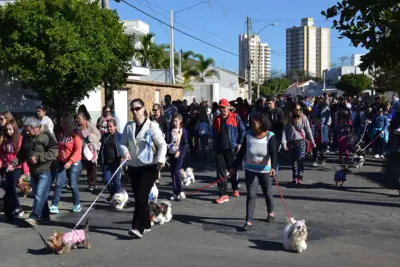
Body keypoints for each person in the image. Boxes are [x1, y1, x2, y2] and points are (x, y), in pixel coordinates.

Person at [120, 98, 167, 238]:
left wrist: (160, 160)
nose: (135, 112)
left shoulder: (152, 125)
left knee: (141, 197)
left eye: (137, 108)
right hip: (133, 167)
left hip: (149, 166)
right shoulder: (128, 126)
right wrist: (125, 152)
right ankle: (146, 223)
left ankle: (137, 228)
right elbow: (122, 143)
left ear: (143, 109)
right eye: (132, 109)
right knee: (140, 198)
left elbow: (162, 145)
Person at [230, 112, 277, 230]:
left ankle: (270, 212)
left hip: (265, 170)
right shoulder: (248, 135)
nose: (251, 124)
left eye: (253, 122)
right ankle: (249, 220)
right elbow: (241, 153)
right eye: (251, 122)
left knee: (267, 192)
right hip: (250, 169)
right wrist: (233, 167)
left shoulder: (270, 136)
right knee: (251, 194)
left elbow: (274, 153)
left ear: (261, 123)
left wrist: (273, 167)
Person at [8, 117, 58, 226]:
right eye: (25, 129)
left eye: (28, 130)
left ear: (36, 128)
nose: (26, 132)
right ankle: (45, 216)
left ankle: (34, 217)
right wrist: (13, 164)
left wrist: (39, 158)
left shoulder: (46, 136)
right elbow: (22, 154)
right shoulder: (26, 137)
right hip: (34, 170)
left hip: (47, 169)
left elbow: (54, 152)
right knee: (40, 194)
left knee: (40, 193)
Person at [212, 98, 246, 204]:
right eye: (220, 107)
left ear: (228, 107)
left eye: (223, 107)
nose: (222, 109)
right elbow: (213, 133)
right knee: (221, 173)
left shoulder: (235, 117)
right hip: (219, 149)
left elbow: (243, 130)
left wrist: (240, 143)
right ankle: (223, 194)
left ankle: (235, 188)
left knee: (233, 170)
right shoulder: (216, 119)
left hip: (232, 148)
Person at [49, 112, 83, 214]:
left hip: (74, 162)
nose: (61, 124)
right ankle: (54, 205)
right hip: (61, 161)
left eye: (63, 122)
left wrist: (70, 161)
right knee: (59, 183)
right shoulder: (60, 134)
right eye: (60, 122)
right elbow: (58, 147)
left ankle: (77, 204)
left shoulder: (76, 134)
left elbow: (78, 150)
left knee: (72, 184)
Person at [0, 121, 29, 220]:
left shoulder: (19, 139)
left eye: (10, 129)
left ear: (14, 129)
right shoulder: (5, 140)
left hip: (17, 167)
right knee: (8, 189)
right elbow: (2, 155)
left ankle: (17, 208)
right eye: (7, 129)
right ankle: (8, 210)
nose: (8, 131)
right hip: (7, 167)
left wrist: (25, 171)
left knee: (12, 188)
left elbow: (23, 156)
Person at [282, 103, 315, 184]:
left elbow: (308, 130)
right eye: (296, 109)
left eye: (299, 109)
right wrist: (284, 143)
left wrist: (312, 141)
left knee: (300, 159)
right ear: (293, 110)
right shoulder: (288, 118)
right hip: (291, 141)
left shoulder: (303, 117)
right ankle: (294, 177)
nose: (298, 111)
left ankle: (300, 177)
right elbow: (284, 131)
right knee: (293, 161)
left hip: (301, 141)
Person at [99, 119, 124, 201]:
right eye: (107, 127)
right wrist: (100, 159)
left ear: (115, 127)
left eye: (111, 127)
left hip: (117, 162)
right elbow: (101, 149)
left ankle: (118, 199)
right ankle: (113, 193)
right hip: (107, 162)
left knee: (116, 182)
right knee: (106, 180)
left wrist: (123, 159)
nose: (109, 128)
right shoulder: (104, 136)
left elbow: (124, 148)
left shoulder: (120, 136)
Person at [76, 112, 101, 191]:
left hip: (90, 149)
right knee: (78, 165)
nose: (78, 120)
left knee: (91, 166)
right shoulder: (77, 127)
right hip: (80, 148)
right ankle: (73, 182)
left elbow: (98, 135)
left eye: (79, 119)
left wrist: (90, 138)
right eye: (77, 119)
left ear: (84, 119)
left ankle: (92, 184)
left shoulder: (90, 126)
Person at [166, 113, 188, 201]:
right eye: (173, 121)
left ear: (180, 121)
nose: (174, 123)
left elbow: (185, 143)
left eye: (176, 121)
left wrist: (179, 151)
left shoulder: (183, 131)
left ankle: (181, 190)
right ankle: (175, 192)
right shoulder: (170, 131)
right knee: (172, 172)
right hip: (171, 153)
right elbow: (167, 141)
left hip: (179, 154)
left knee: (177, 171)